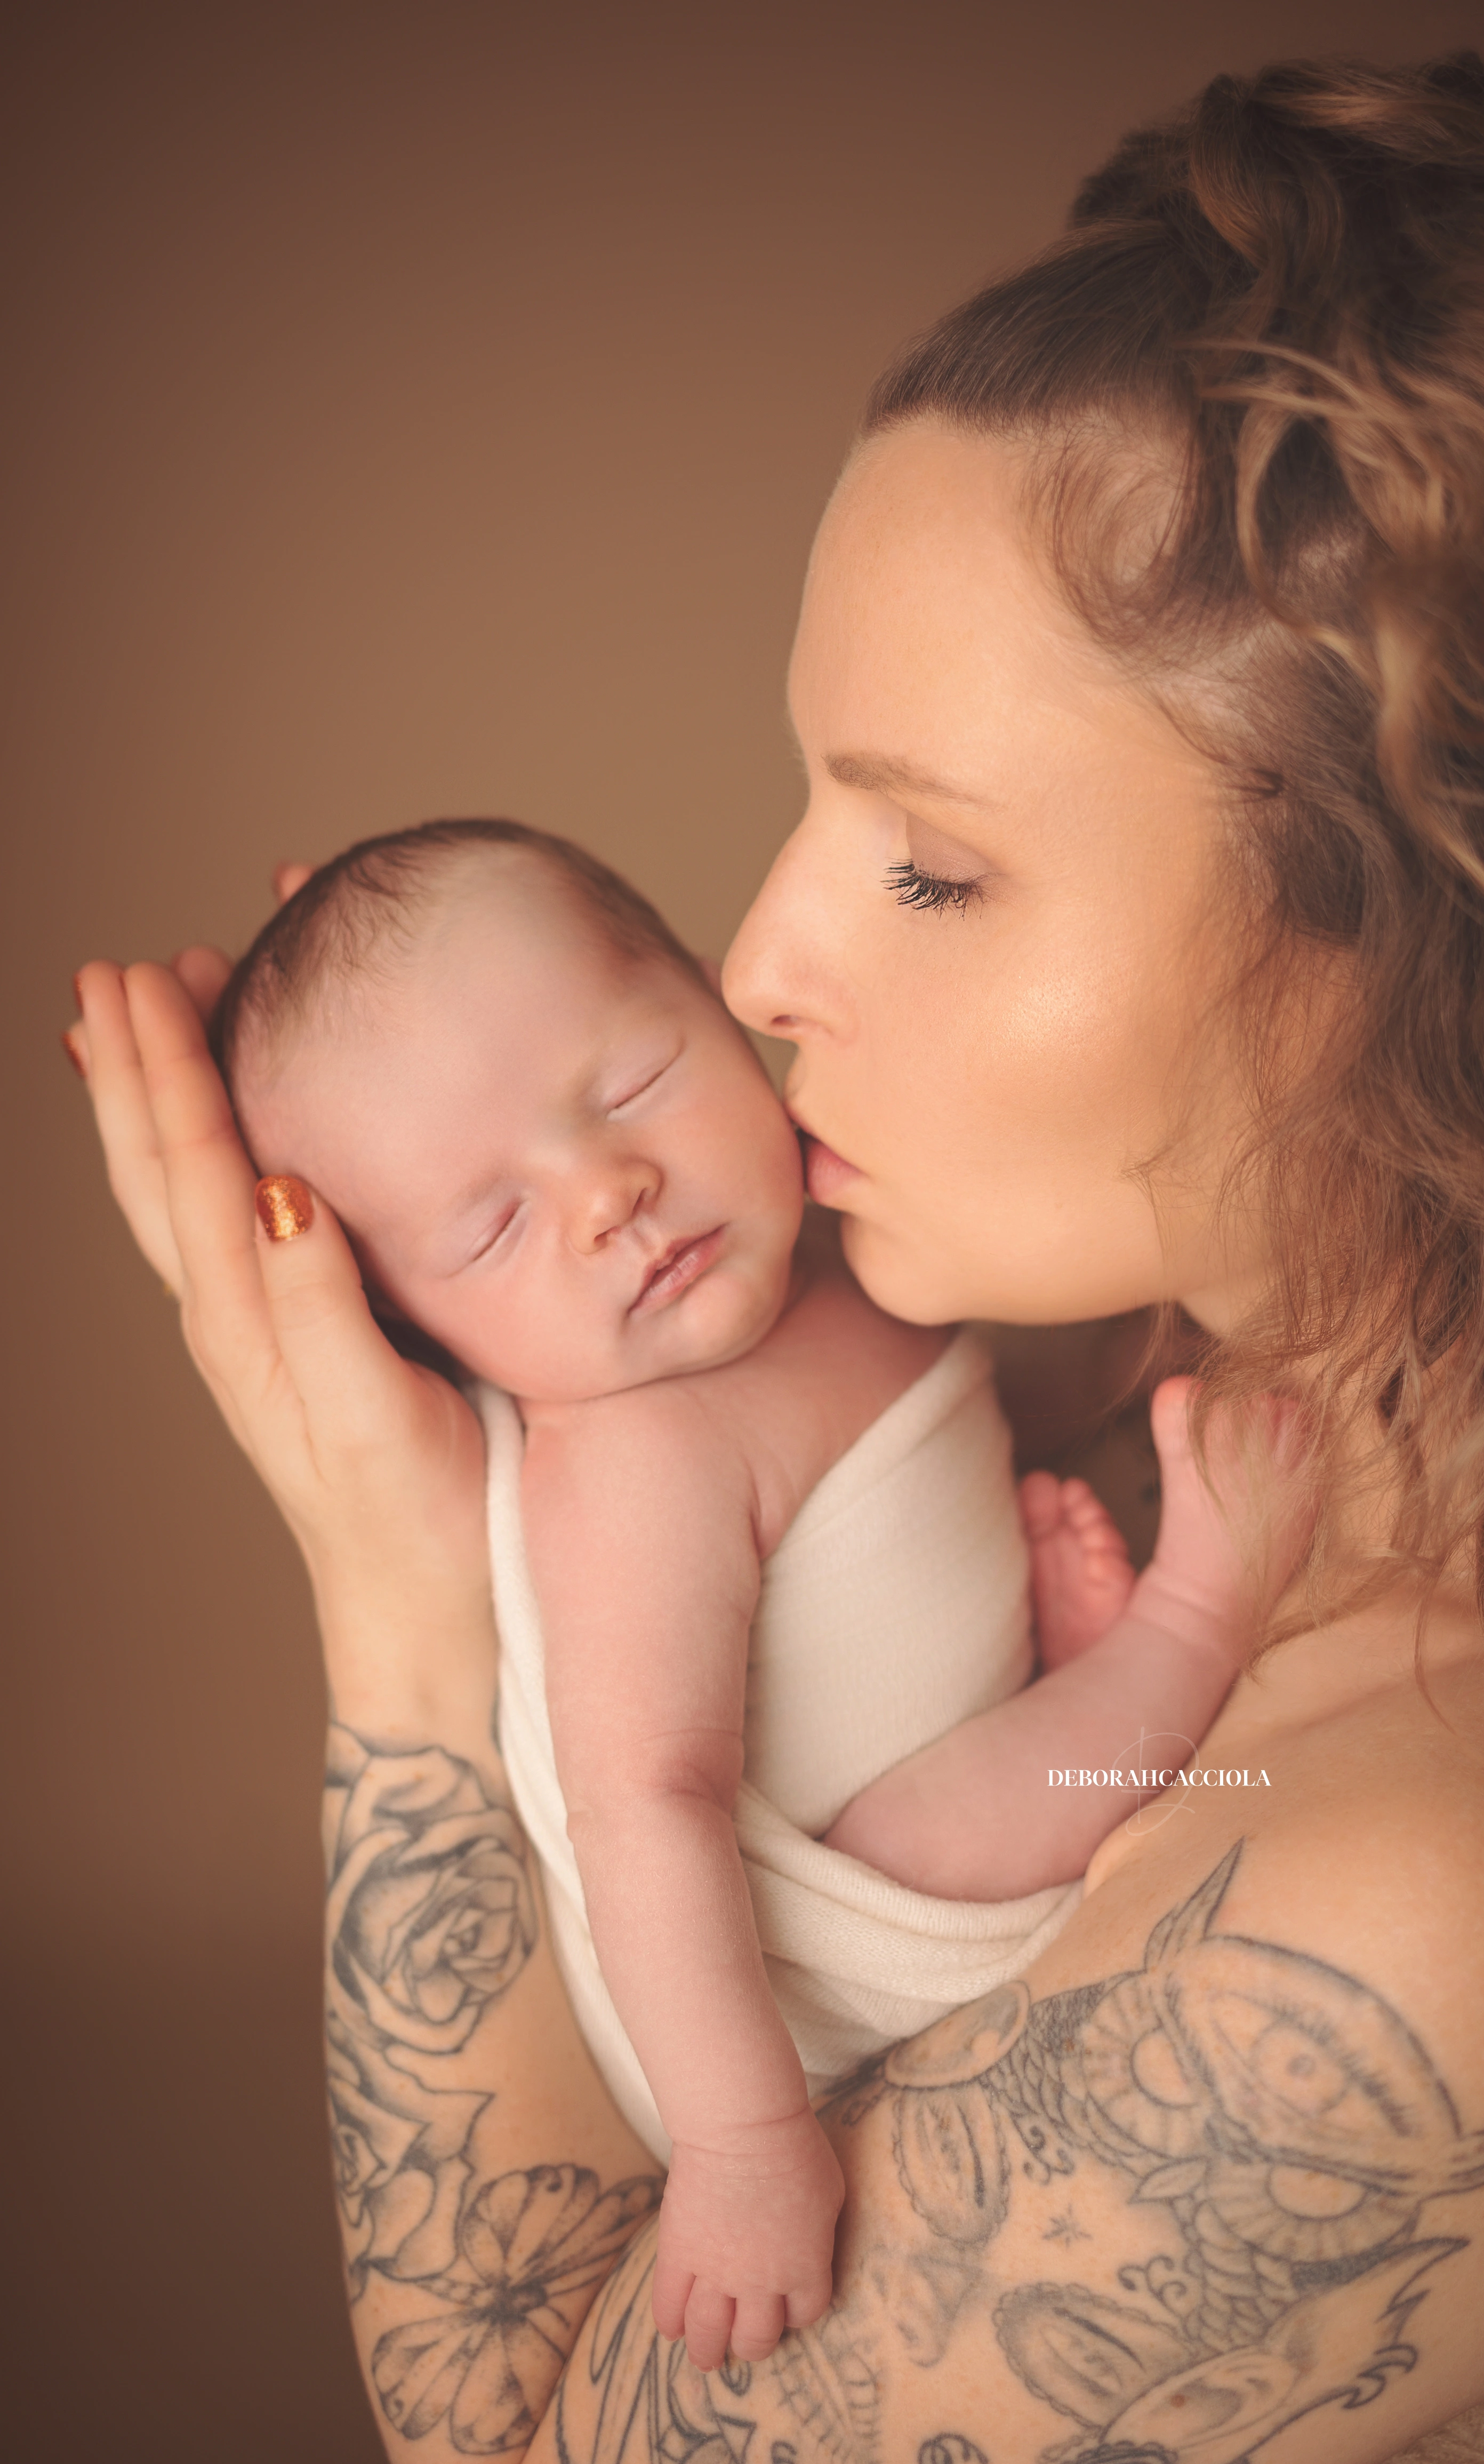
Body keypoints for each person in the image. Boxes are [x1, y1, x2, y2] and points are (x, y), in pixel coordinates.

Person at [68, 49, 1484, 2464]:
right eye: (799, 804)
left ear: (1433, 930)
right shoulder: (1071, 1404)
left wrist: (401, 1594)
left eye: (930, 860)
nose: (754, 965)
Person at [213, 813, 1311, 2370]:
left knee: (978, 1723)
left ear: (726, 1013)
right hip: (790, 1972)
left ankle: (1057, 1682)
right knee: (923, 1821)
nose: (605, 1190)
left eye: (631, 1083)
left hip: (923, 1742)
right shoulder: (632, 1460)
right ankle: (1188, 1620)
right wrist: (739, 2146)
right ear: (414, 1328)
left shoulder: (846, 1251)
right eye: (491, 1224)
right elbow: (645, 1801)